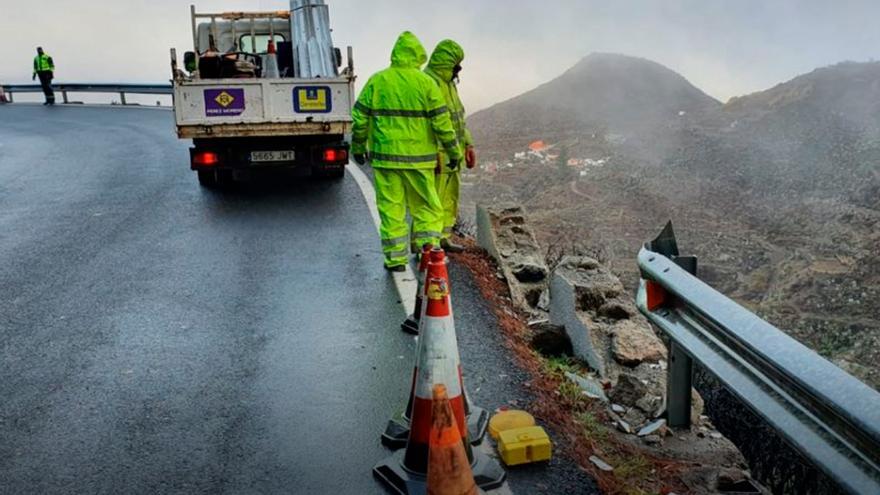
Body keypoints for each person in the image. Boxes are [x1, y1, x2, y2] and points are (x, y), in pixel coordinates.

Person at [351, 32, 463, 272]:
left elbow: (359, 118)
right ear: (418, 55)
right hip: (420, 163)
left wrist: (358, 148)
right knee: (427, 208)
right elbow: (442, 123)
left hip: (386, 161)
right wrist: (455, 152)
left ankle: (395, 260)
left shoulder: (377, 81)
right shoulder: (426, 83)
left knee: (392, 209)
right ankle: (428, 251)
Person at [424, 40, 476, 253]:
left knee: (449, 198)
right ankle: (429, 243)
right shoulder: (429, 82)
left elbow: (458, 119)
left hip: (453, 153)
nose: (459, 69)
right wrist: (433, 153)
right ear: (446, 62)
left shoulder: (449, 85)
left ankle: (443, 238)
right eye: (456, 63)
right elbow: (429, 123)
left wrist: (468, 144)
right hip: (439, 154)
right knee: (432, 200)